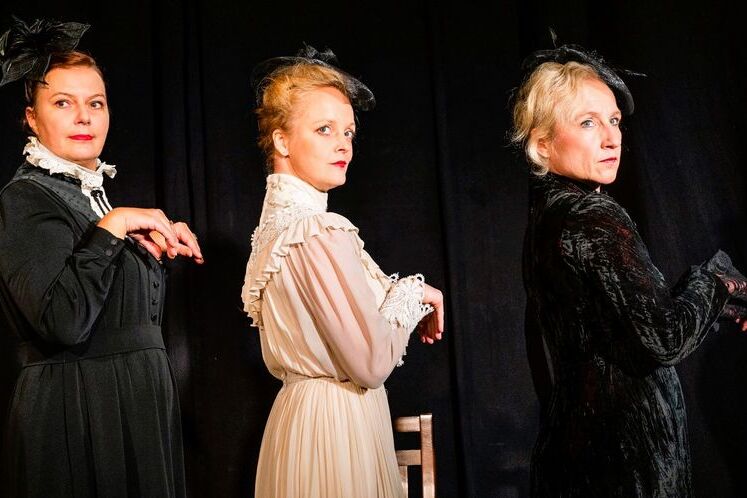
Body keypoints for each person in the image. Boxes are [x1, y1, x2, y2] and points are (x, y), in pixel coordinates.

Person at [511, 42, 747, 497]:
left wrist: (723, 303)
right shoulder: (593, 216)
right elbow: (664, 337)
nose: (611, 137)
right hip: (624, 461)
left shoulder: (548, 219)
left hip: (578, 453)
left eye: (614, 120)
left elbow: (626, 326)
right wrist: (720, 283)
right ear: (542, 144)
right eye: (588, 122)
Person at [0, 17, 202, 497]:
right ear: (32, 118)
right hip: (79, 412)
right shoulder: (26, 197)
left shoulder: (90, 197)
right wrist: (115, 226)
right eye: (62, 103)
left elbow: (115, 315)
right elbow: (63, 321)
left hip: (133, 407)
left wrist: (141, 252)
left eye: (95, 103)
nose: (84, 117)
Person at [241, 45, 445, 498]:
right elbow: (370, 363)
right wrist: (414, 295)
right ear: (281, 141)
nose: (343, 144)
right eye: (324, 129)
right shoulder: (316, 229)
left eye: (349, 132)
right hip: (334, 427)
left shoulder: (277, 229)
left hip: (300, 423)